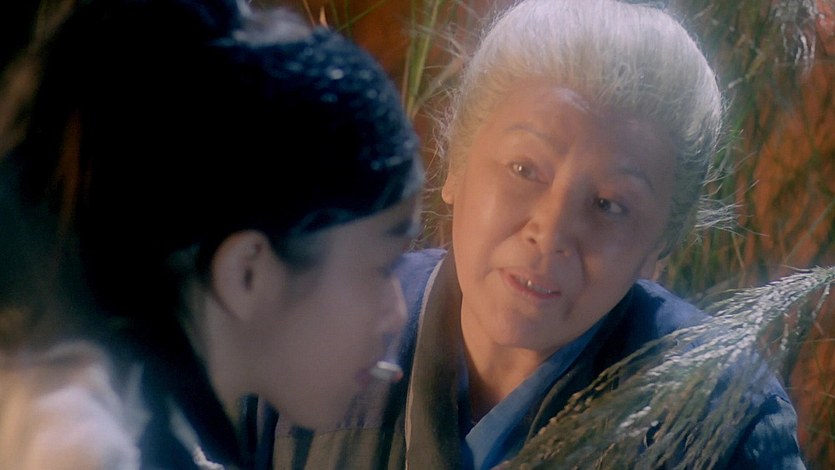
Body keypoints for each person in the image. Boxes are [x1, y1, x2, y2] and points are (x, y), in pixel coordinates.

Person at [265, 0, 806, 468]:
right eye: (524, 169)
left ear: (661, 244)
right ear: (455, 166)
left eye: (609, 204)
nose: (551, 232)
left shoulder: (722, 418)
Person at [0, 0, 424, 468]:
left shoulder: (128, 412)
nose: (397, 314)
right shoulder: (72, 450)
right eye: (382, 267)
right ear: (247, 273)